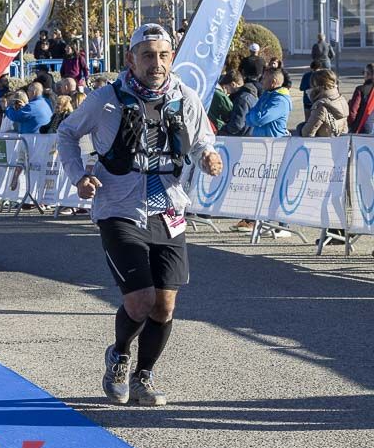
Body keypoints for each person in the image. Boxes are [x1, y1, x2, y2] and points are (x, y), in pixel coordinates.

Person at [57, 23, 222, 407]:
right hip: (119, 209)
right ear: (131, 58)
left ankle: (143, 376)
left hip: (168, 209)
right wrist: (79, 176)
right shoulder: (106, 100)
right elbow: (66, 134)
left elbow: (201, 140)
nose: (156, 63)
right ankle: (118, 355)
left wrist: (209, 156)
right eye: (148, 55)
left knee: (164, 304)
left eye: (163, 55)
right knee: (140, 300)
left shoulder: (185, 97)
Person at [218, 57, 263, 136]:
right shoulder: (250, 94)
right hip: (251, 135)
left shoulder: (242, 99)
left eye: (225, 87)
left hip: (242, 139)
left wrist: (220, 130)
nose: (225, 92)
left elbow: (237, 125)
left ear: (233, 84)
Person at [300, 69, 347, 137]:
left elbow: (307, 133)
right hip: (339, 140)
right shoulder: (341, 99)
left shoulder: (320, 106)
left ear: (316, 87)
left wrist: (300, 128)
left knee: (300, 126)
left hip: (324, 143)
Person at [246, 67, 291, 137]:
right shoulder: (265, 95)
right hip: (259, 142)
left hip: (274, 144)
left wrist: (254, 116)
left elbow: (259, 120)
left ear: (273, 81)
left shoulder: (280, 101)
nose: (261, 81)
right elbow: (247, 119)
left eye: (264, 79)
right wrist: (254, 116)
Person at [348, 63, 374, 134]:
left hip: (363, 127)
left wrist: (351, 125)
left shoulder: (360, 89)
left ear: (368, 75)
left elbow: (353, 111)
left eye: (364, 73)